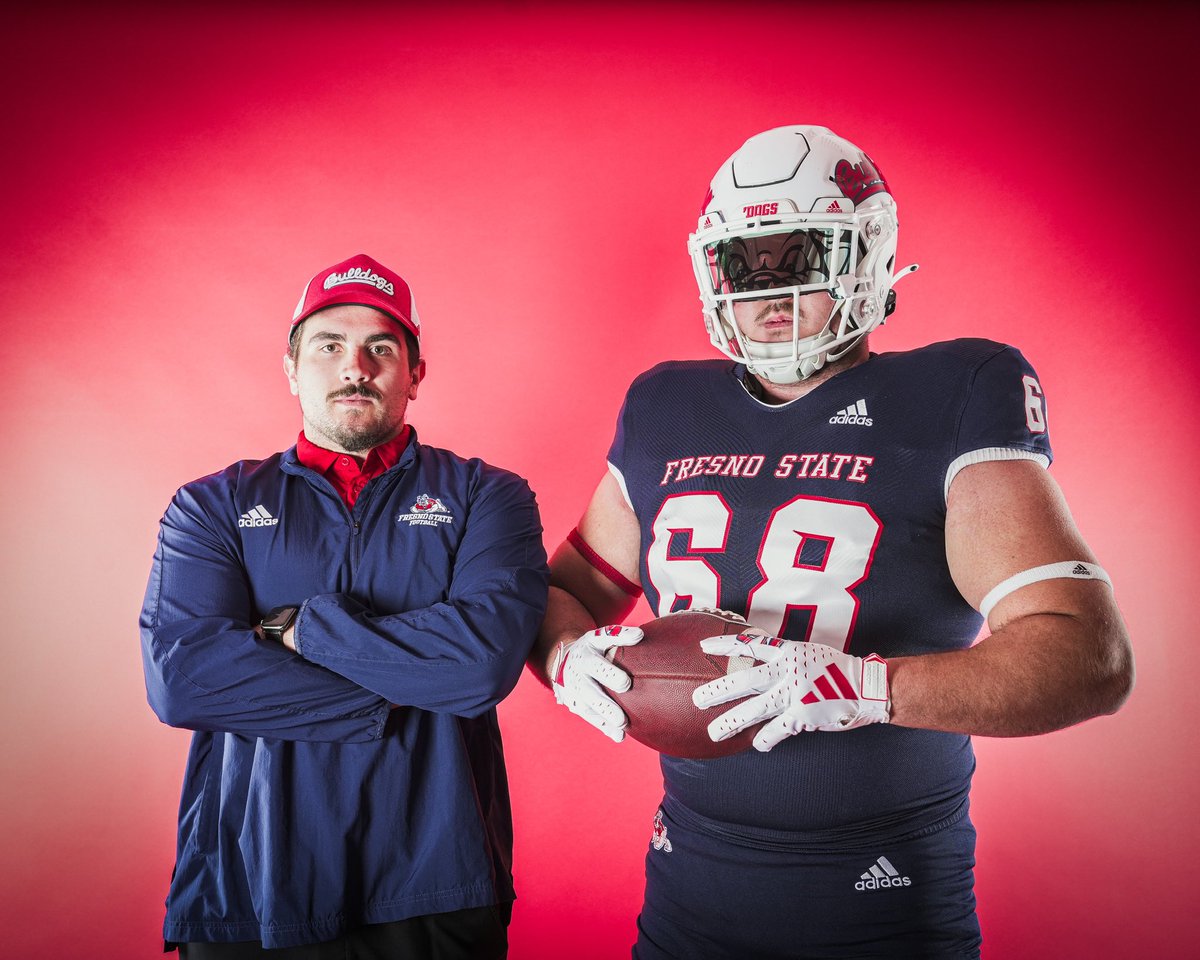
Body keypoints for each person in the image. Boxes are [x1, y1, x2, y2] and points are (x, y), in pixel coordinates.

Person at [528, 126, 1134, 959]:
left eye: (802, 254)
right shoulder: (663, 405)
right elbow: (567, 592)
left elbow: (1089, 658)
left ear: (869, 256)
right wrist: (565, 658)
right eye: (747, 263)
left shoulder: (956, 391)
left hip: (882, 899)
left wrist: (866, 686)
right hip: (686, 893)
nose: (770, 292)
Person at [140, 253, 549, 958]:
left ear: (414, 374)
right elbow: (183, 681)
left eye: (380, 347)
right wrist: (395, 695)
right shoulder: (212, 504)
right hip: (252, 875)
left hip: (434, 874)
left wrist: (304, 630)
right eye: (328, 346)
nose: (354, 365)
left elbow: (481, 667)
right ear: (293, 369)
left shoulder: (489, 496)